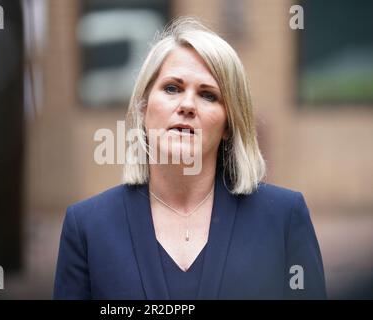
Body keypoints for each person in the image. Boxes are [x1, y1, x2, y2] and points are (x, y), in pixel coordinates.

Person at [53, 17, 326, 299]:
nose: (186, 105)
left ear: (228, 126)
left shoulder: (283, 219)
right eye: (172, 88)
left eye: (208, 95)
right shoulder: (87, 226)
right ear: (143, 108)